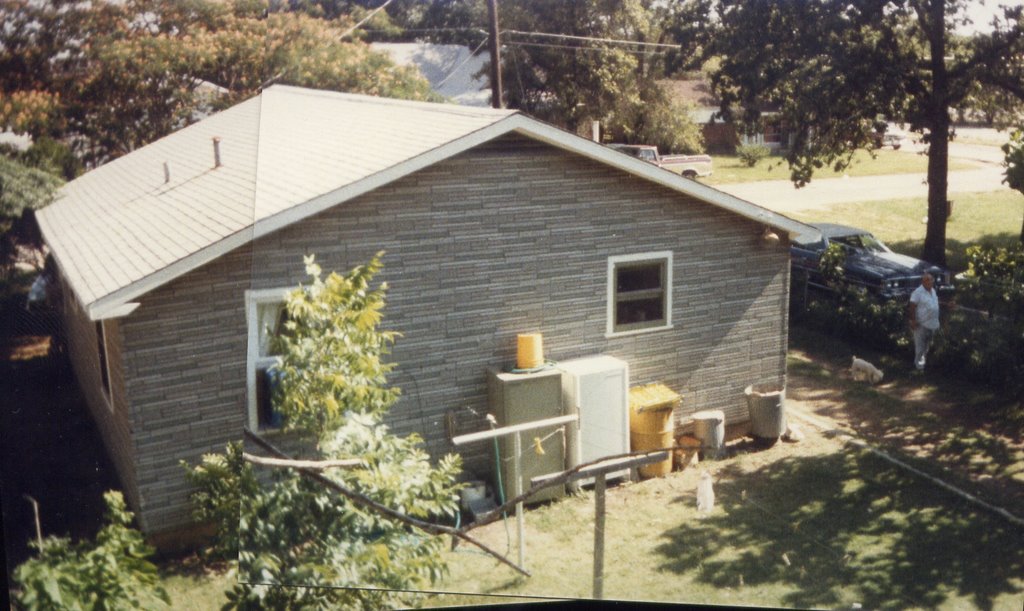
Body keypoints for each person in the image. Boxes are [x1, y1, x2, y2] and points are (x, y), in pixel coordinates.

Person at [908, 272, 940, 371]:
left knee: (928, 347)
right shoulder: (918, 292)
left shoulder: (933, 291)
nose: (930, 282)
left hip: (933, 324)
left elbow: (934, 305)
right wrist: (913, 320)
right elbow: (912, 306)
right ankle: (919, 367)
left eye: (931, 280)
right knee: (920, 347)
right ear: (923, 282)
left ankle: (925, 364)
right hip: (921, 324)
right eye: (928, 280)